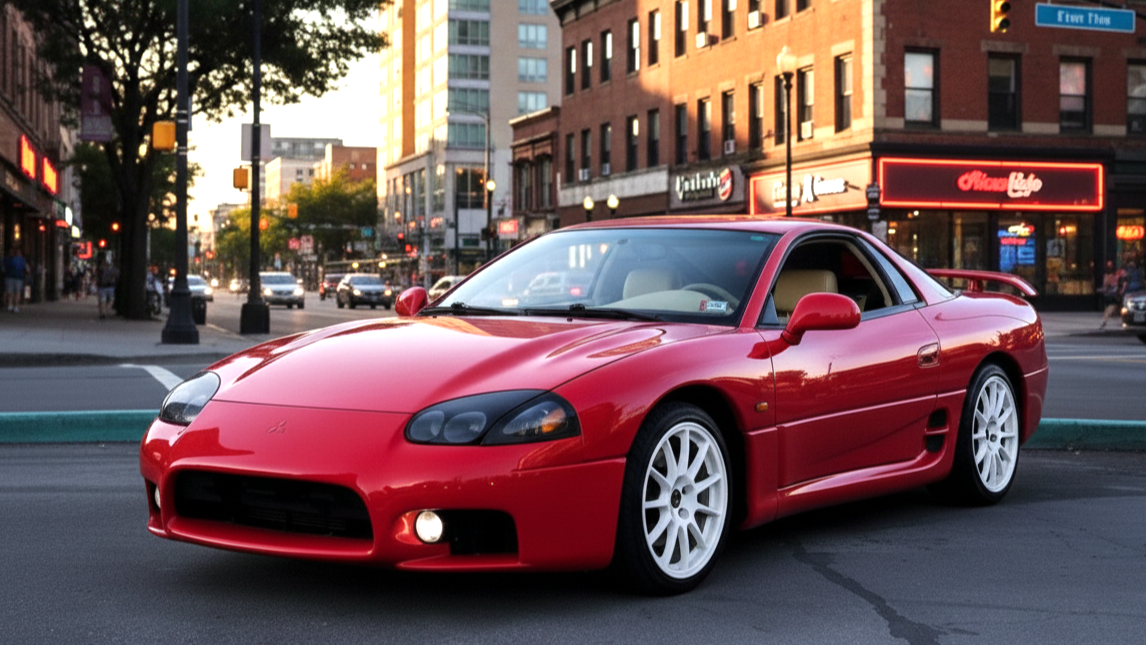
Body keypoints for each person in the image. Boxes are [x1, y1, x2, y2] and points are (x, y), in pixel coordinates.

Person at [1100, 260, 1125, 329]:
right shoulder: (1115, 275)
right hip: (1112, 293)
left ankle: (1105, 319)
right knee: (1112, 307)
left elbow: (1105, 284)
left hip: (1109, 293)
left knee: (1109, 308)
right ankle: (1105, 319)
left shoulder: (1107, 275)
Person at [96, 255, 119, 320]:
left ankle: (104, 311)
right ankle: (103, 312)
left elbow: (116, 275)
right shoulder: (101, 269)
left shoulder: (112, 269)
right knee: (102, 300)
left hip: (108, 286)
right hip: (104, 286)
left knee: (109, 300)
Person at [4, 247, 27, 312]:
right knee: (12, 292)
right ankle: (12, 305)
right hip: (14, 277)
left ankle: (14, 305)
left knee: (15, 292)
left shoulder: (19, 260)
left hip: (14, 277)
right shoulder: (10, 259)